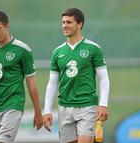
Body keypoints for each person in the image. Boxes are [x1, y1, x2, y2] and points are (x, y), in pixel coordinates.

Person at [0, 11, 43, 143]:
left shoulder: (22, 50)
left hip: (13, 105)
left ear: (7, 26)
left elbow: (31, 84)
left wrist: (38, 112)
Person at [43, 8, 110, 143]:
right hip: (64, 107)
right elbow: (52, 82)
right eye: (63, 22)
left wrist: (103, 104)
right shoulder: (57, 52)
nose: (64, 25)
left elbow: (103, 78)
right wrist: (47, 110)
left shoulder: (93, 48)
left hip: (87, 106)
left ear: (79, 24)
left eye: (69, 22)